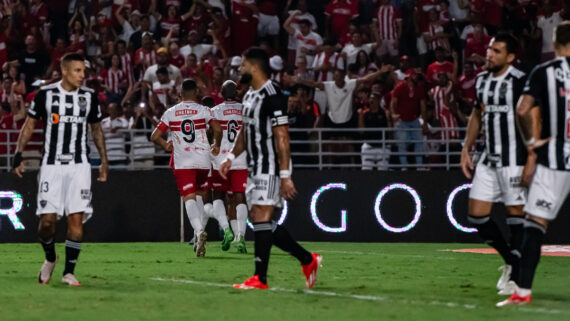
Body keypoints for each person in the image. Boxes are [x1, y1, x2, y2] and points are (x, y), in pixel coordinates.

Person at [219, 47, 321, 290]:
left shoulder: (273, 94)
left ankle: (259, 278)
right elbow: (245, 132)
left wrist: (285, 176)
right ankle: (307, 259)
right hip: (255, 166)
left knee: (262, 217)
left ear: (254, 67)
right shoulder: (249, 96)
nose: (240, 70)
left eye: (242, 65)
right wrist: (230, 157)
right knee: (259, 220)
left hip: (271, 166)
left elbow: (282, 136)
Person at [11, 53, 108, 286]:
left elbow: (96, 130)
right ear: (64, 71)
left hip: (80, 165)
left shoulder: (89, 96)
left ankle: (69, 272)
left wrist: (104, 160)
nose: (82, 76)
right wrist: (18, 154)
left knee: (76, 220)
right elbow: (30, 123)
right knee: (47, 223)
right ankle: (50, 257)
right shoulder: (45, 94)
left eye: (83, 71)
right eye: (77, 71)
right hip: (51, 165)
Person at [497, 21, 570, 307]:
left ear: (555, 42)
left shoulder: (544, 72)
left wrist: (531, 145)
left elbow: (522, 109)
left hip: (554, 161)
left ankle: (522, 294)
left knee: (534, 227)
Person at [460, 34, 528, 297]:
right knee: (476, 216)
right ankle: (512, 260)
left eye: (496, 51)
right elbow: (478, 113)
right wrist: (467, 147)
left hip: (515, 158)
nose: (489, 54)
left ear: (510, 57)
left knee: (516, 215)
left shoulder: (521, 81)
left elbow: (533, 116)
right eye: (489, 49)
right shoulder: (482, 80)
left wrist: (533, 154)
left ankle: (518, 273)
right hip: (488, 157)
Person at [151, 79, 222, 257]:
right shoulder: (204, 110)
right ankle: (198, 236)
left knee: (188, 197)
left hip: (184, 162)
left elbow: (155, 136)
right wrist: (216, 145)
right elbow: (218, 129)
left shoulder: (171, 112)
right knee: (199, 195)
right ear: (196, 93)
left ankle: (198, 231)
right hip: (204, 161)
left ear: (180, 94)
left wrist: (165, 145)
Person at [210, 80, 248, 253]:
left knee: (218, 195)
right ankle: (241, 237)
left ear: (222, 94)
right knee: (240, 197)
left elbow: (211, 133)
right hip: (240, 159)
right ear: (237, 93)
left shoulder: (215, 111)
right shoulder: (244, 110)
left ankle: (226, 230)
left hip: (220, 160)